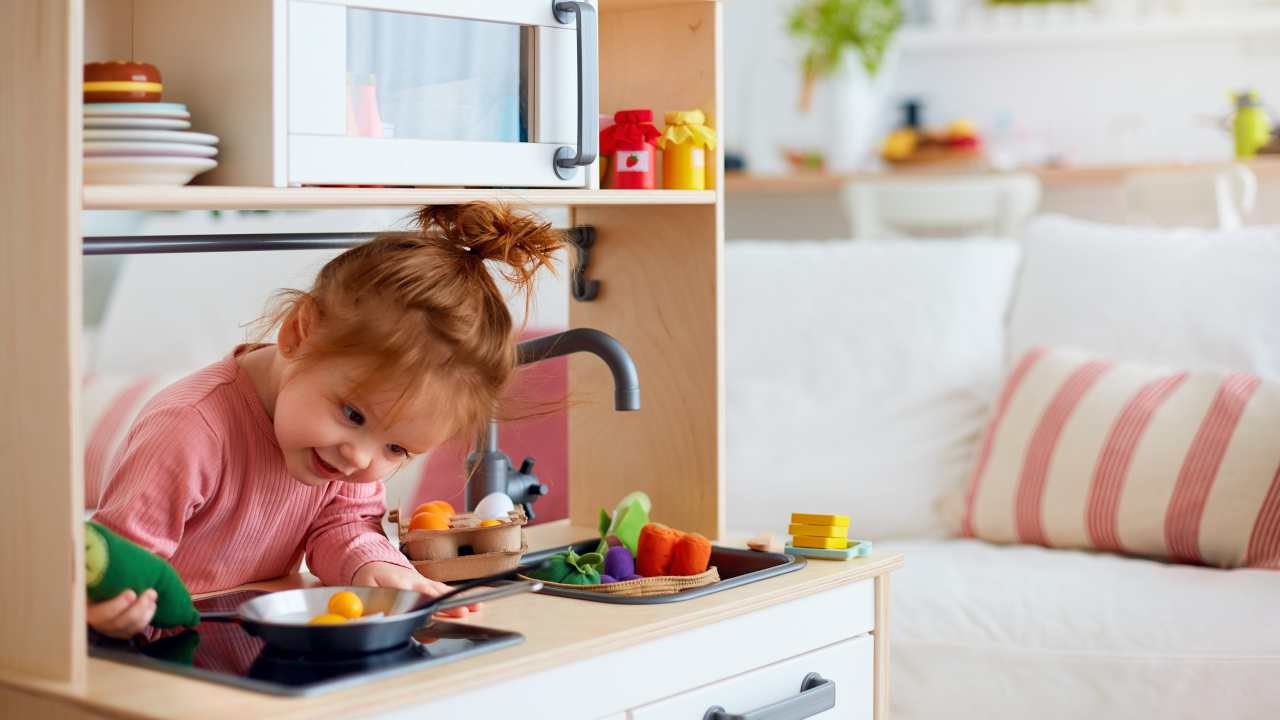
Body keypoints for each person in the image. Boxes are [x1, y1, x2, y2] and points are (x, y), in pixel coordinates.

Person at [88, 203, 562, 638]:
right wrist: (110, 606)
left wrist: (382, 570)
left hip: (250, 636)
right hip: (155, 645)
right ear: (300, 333)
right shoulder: (190, 429)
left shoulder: (339, 452)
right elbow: (113, 560)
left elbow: (345, 523)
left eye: (396, 450)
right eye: (352, 414)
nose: (359, 456)